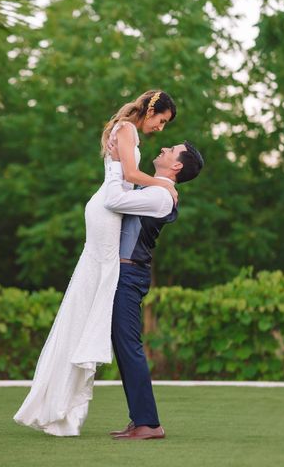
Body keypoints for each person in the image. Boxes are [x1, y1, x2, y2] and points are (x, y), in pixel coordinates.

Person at [13, 90, 178, 436]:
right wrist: (163, 183)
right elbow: (129, 177)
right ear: (150, 110)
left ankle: (87, 374)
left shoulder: (125, 130)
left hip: (106, 207)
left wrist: (159, 186)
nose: (161, 130)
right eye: (161, 121)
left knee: (96, 296)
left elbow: (126, 180)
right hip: (106, 209)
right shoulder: (127, 129)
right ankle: (90, 378)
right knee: (101, 287)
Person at [105, 140, 204, 440]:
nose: (163, 148)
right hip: (122, 272)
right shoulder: (154, 189)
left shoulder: (161, 195)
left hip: (129, 273)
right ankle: (140, 420)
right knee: (123, 347)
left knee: (129, 345)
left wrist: (114, 164)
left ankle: (149, 423)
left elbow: (113, 201)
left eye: (171, 150)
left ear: (176, 166)